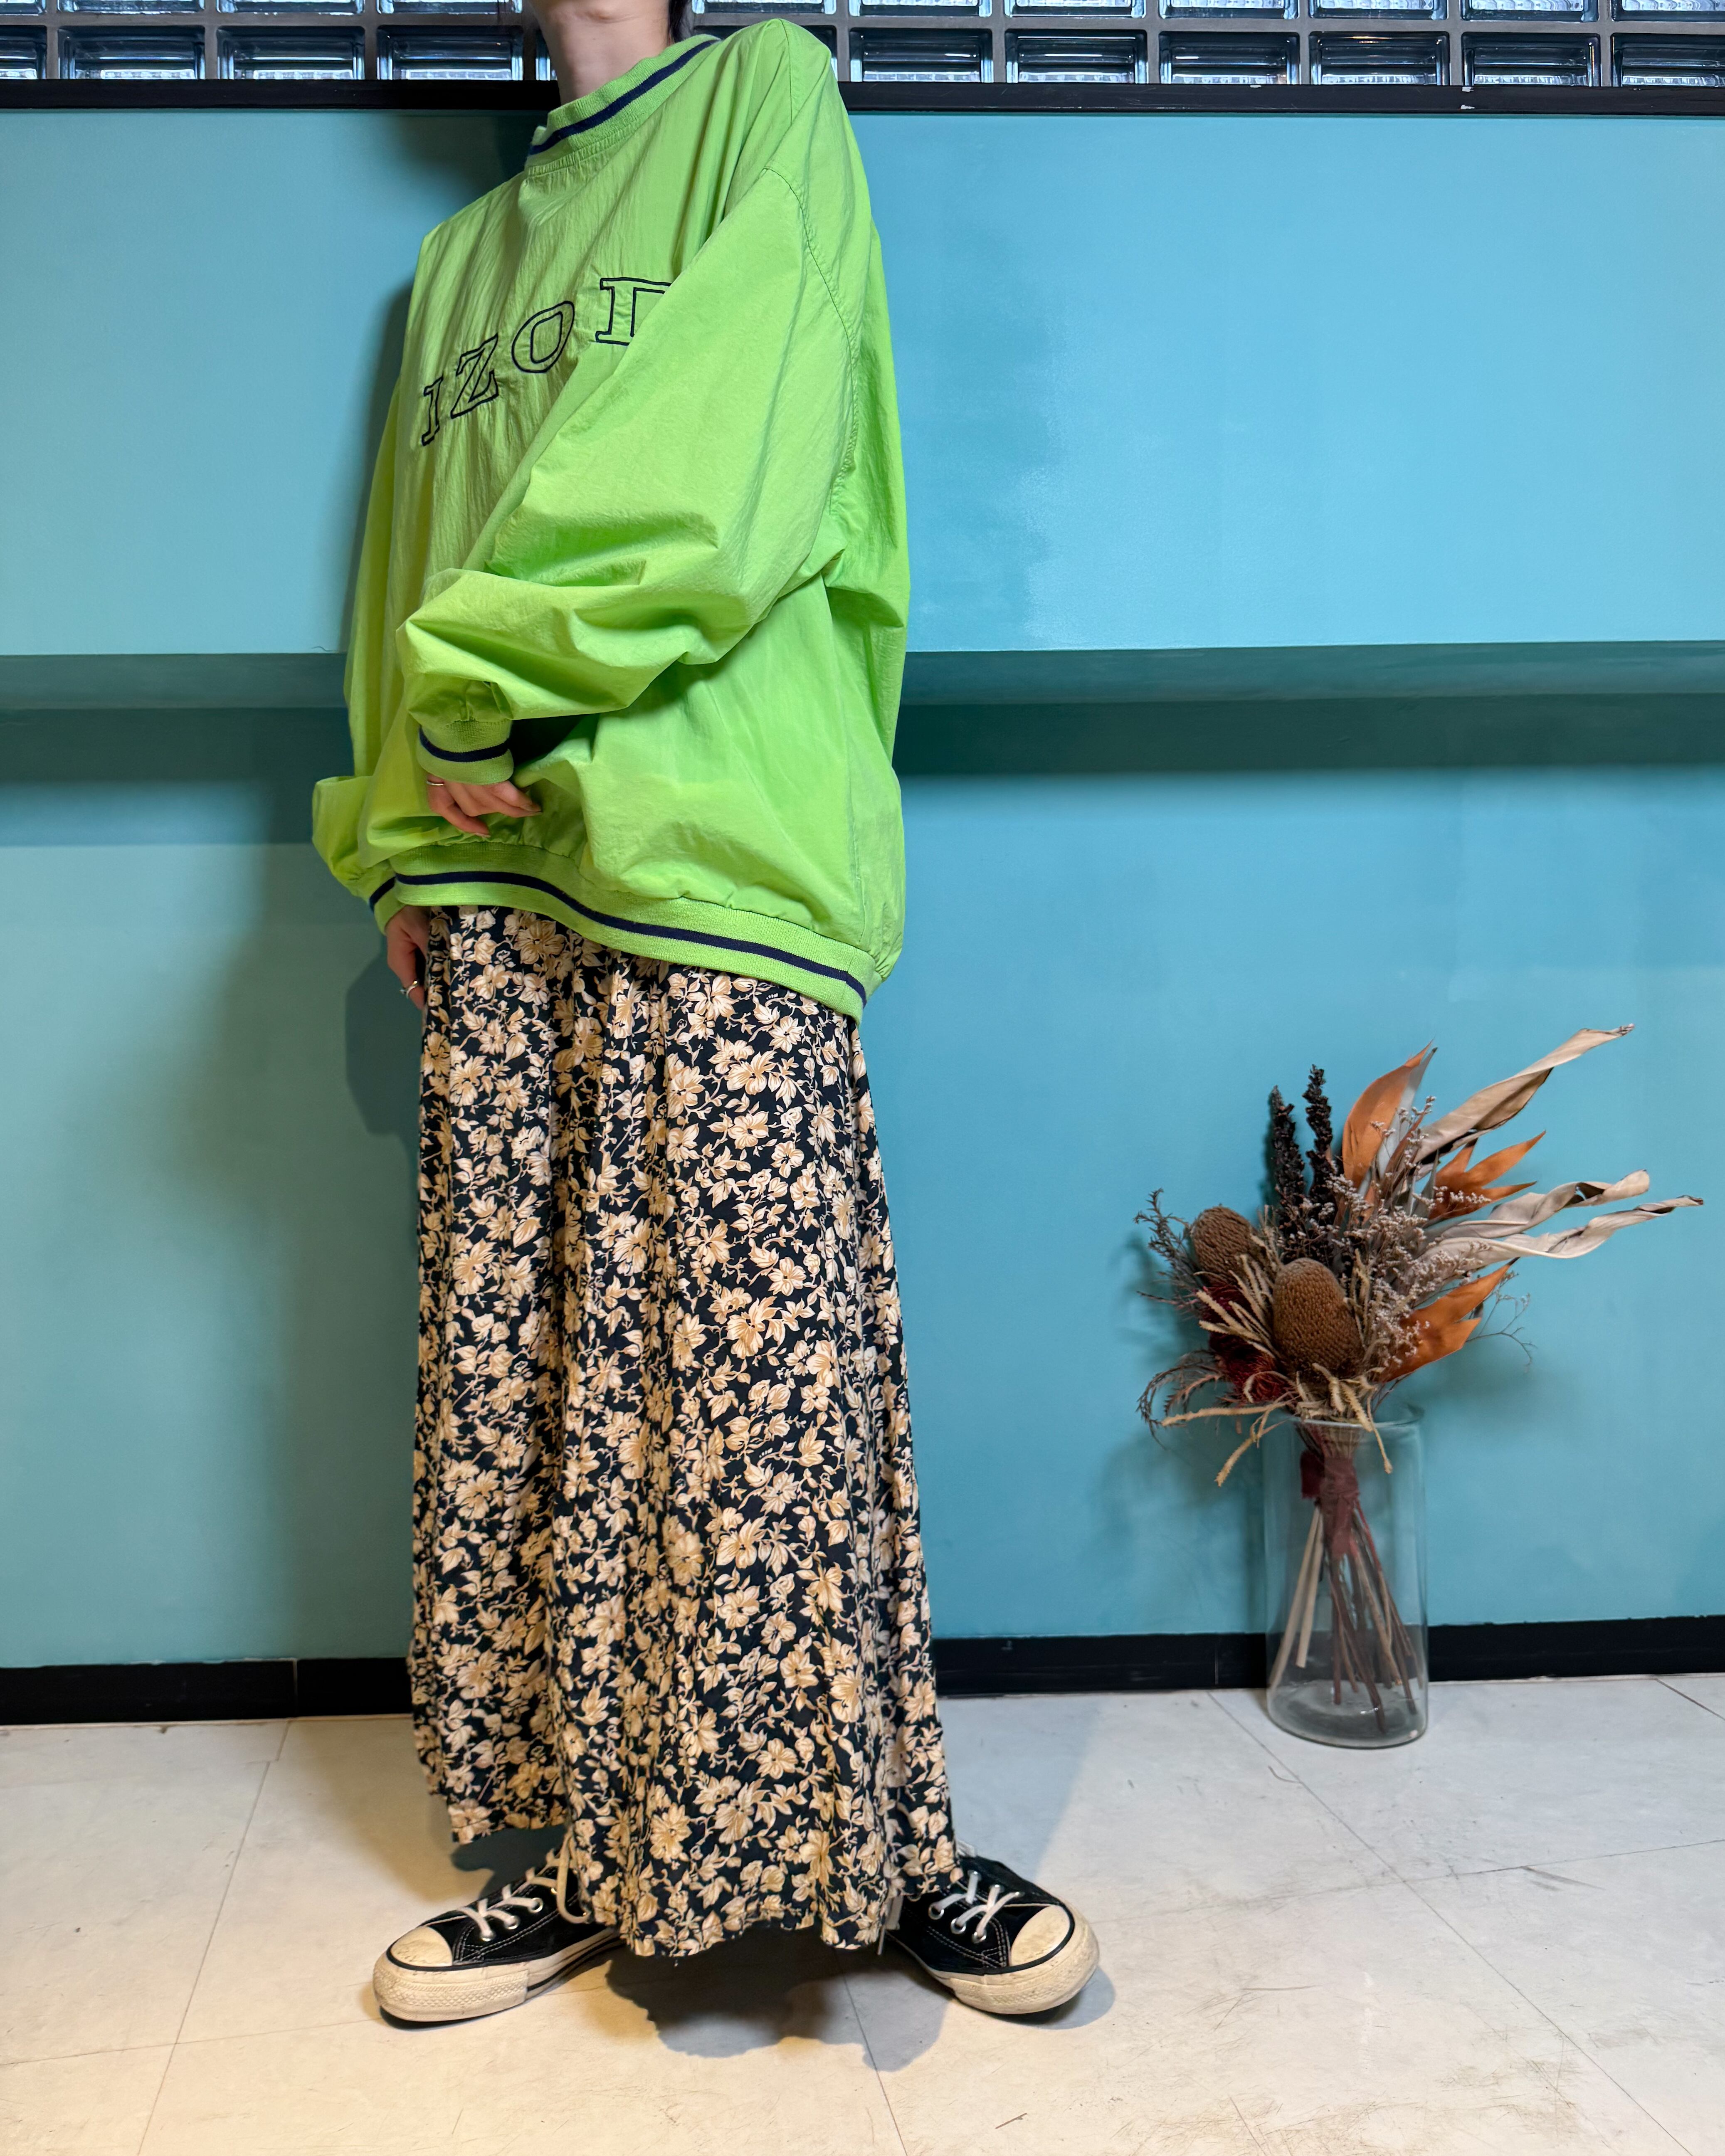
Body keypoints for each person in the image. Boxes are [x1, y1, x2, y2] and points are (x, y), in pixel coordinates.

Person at [312, 0, 1098, 2025]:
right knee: (530, 1384)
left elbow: (727, 460)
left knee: (765, 1378)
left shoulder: (768, 94)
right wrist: (399, 834)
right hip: (489, 865)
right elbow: (404, 566)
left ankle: (877, 1847)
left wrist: (486, 684)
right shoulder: (458, 264)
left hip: (714, 847)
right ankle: (589, 1853)